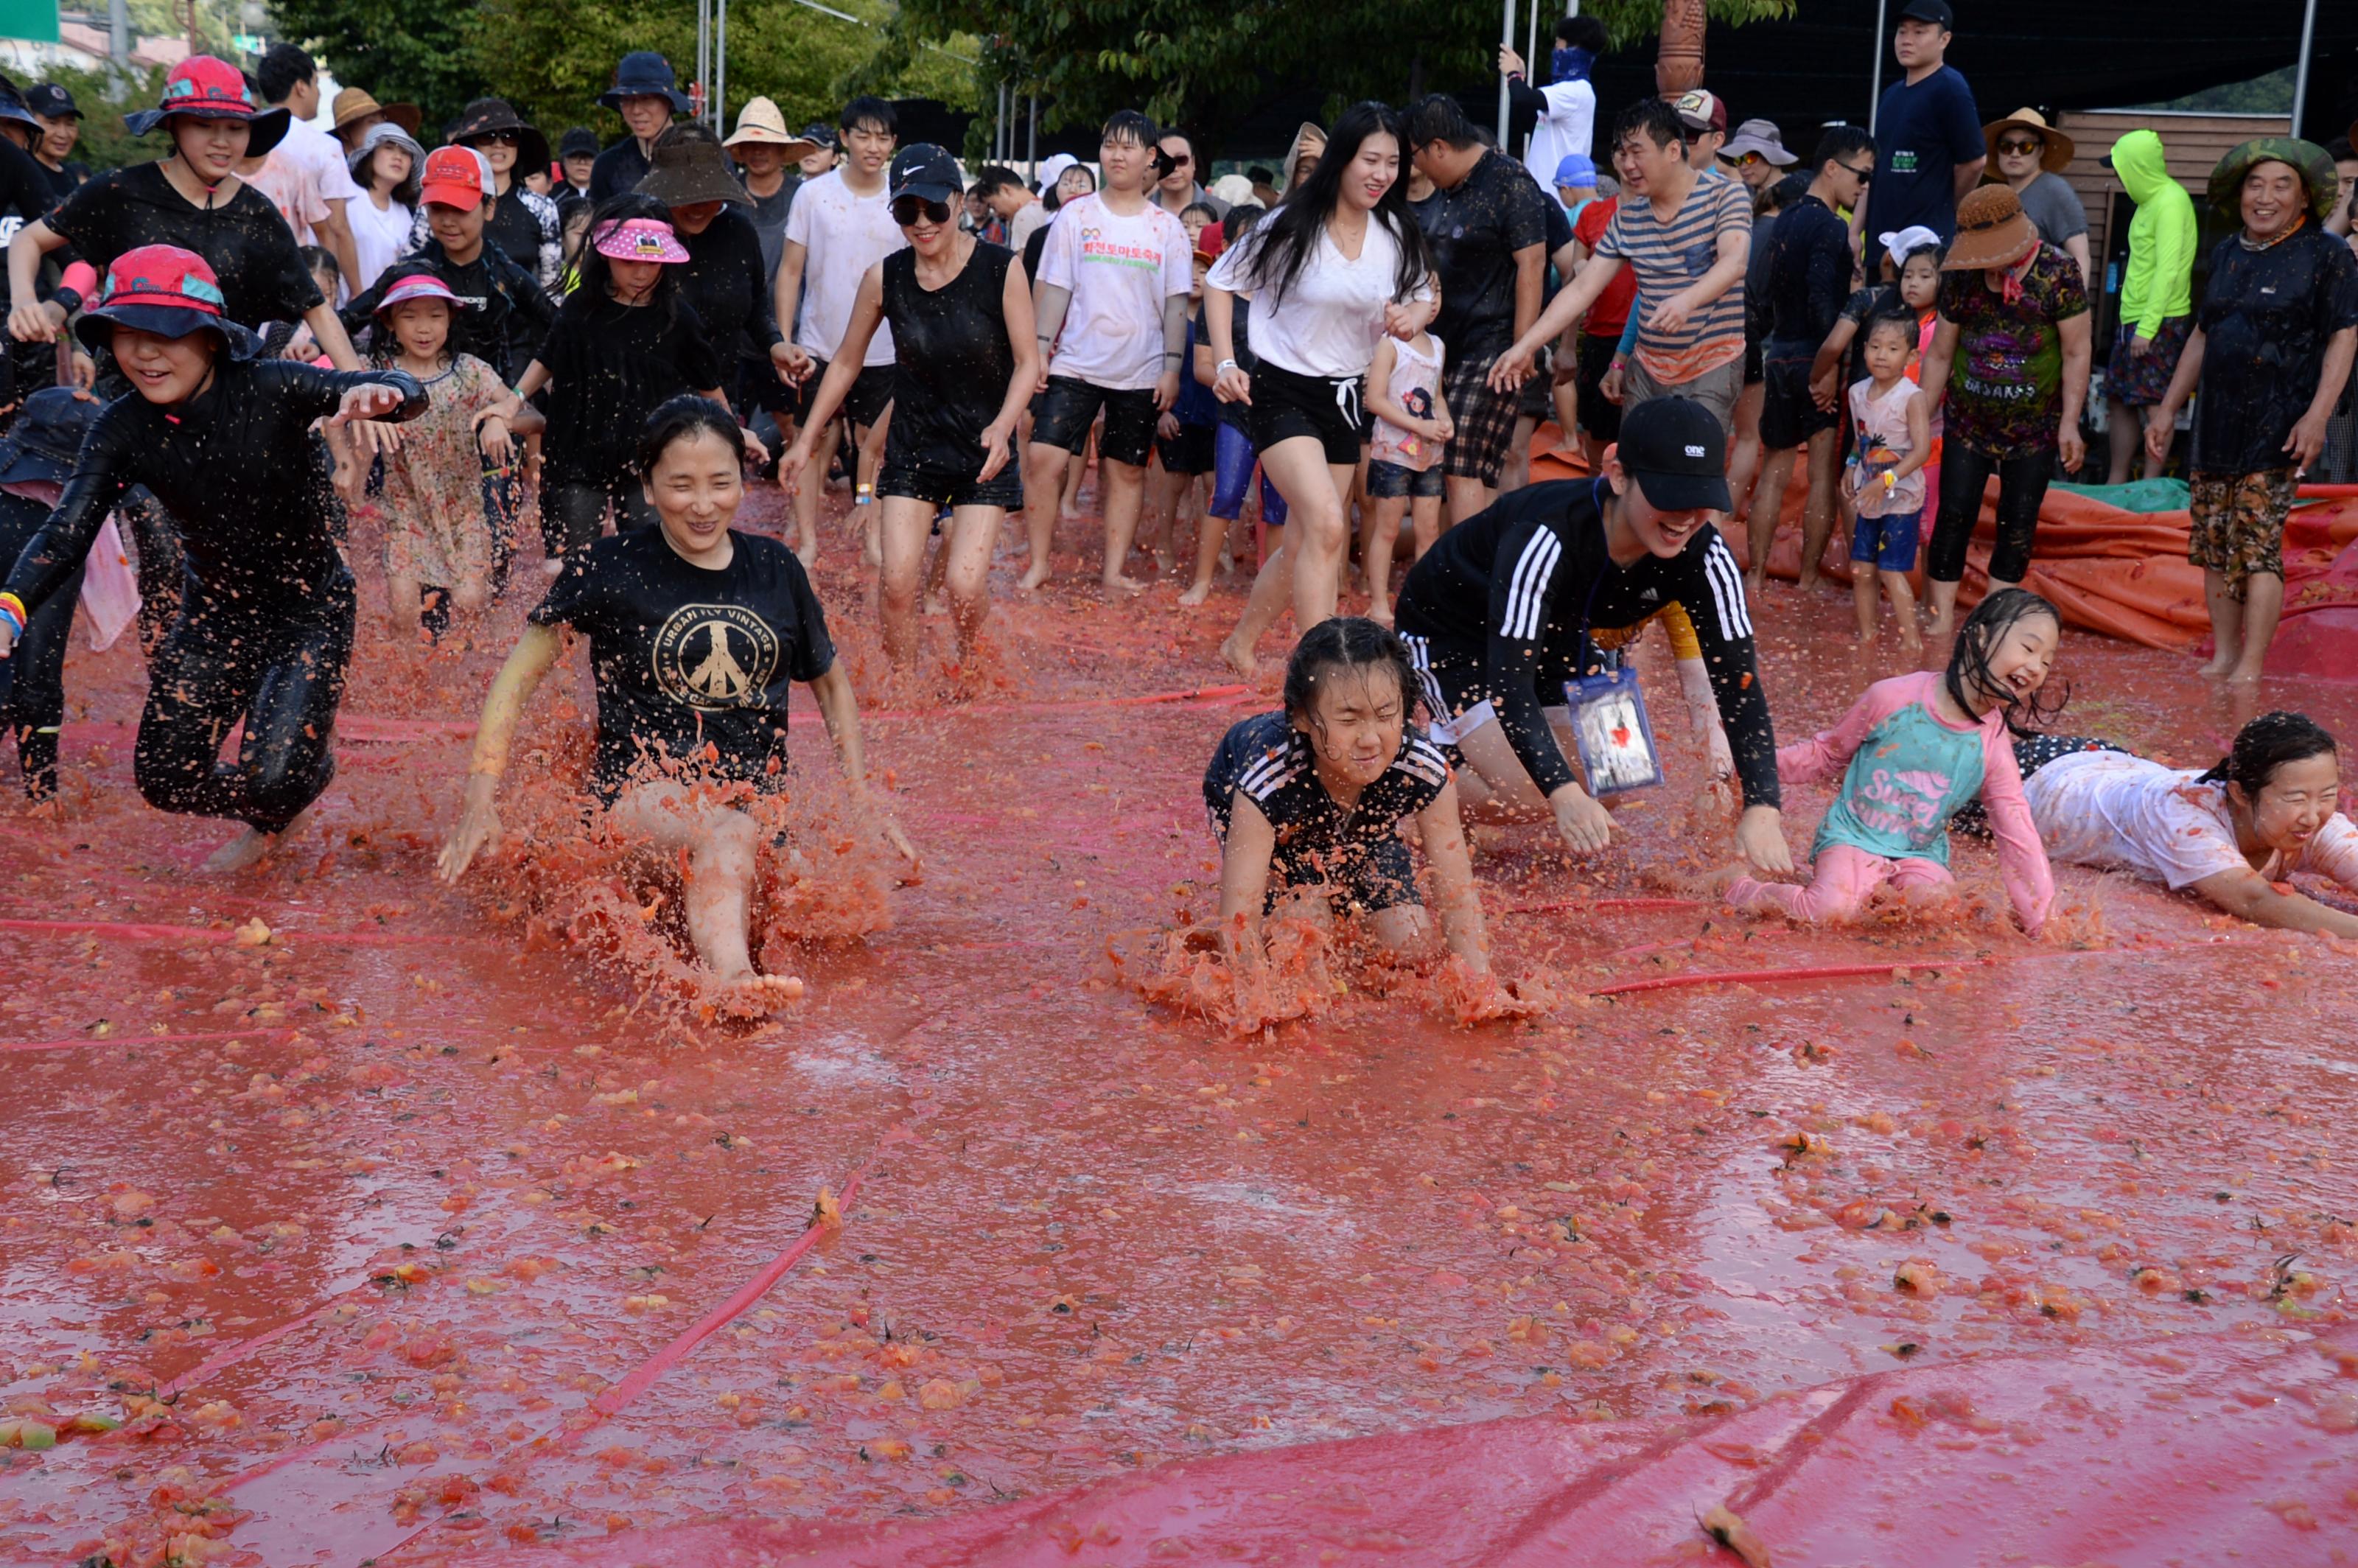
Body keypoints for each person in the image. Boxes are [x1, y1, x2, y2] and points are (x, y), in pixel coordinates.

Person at [438, 397, 912, 1012]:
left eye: (721, 483)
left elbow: (831, 686)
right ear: (649, 483)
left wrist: (860, 797)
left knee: (802, 879)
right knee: (727, 829)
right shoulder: (608, 566)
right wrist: (480, 796)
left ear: (743, 479)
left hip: (754, 805)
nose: (703, 503)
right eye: (681, 485)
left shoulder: (776, 566)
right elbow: (517, 680)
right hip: (638, 800)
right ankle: (733, 982)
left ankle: (730, 918)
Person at [0, 245, 421, 871]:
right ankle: (277, 798)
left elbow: (399, 388)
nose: (144, 354)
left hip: (308, 612)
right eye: (126, 335)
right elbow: (67, 531)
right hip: (214, 618)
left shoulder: (272, 386)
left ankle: (294, 776)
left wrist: (386, 392)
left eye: (165, 335)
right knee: (165, 778)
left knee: (276, 774)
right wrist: (9, 607)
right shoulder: (121, 427)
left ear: (211, 338)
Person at [1390, 396, 1792, 872]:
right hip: (1455, 630)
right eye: (1668, 494)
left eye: (1701, 498)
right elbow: (1510, 682)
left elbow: (1739, 686)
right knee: (1530, 797)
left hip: (1565, 633)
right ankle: (1405, 776)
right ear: (1619, 476)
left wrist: (1764, 807)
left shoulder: (1707, 556)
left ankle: (1482, 764)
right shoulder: (1547, 535)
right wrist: (1562, 793)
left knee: (1619, 778)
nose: (1685, 516)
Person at [783, 145, 1038, 667]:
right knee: (897, 584)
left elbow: (1029, 363)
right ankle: (903, 692)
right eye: (906, 212)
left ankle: (970, 662)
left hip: (982, 449)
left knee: (963, 587)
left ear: (959, 202)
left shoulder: (1000, 268)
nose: (922, 224)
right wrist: (806, 441)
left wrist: (1003, 426)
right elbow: (847, 363)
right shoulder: (885, 278)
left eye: (934, 209)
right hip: (914, 448)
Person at [1207, 101, 1433, 674]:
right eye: (1370, 160)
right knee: (1331, 525)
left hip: (1346, 397)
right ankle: (1323, 672)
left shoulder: (1395, 232)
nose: (1382, 174)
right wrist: (1228, 362)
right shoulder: (1290, 225)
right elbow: (1218, 281)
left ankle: (1241, 643)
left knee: (1310, 539)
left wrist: (1414, 315)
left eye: (1392, 163)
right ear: (1342, 161)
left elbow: (1427, 292)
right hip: (1282, 391)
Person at [2147, 139, 2358, 684]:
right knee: (2214, 543)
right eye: (2255, 185)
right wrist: (2168, 409)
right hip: (2215, 421)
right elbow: (2201, 333)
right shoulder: (2226, 253)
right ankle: (2223, 656)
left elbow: (2343, 337)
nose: (2265, 197)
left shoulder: (2326, 254)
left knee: (2258, 544)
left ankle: (2251, 668)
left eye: (2280, 185)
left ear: (2305, 197)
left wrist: (2316, 417)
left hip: (2280, 422)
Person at [1726, 588, 2057, 930]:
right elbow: (1826, 753)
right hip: (1853, 836)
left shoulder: (1993, 746)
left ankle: (1877, 891)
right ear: (1981, 637)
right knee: (1829, 912)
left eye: (2047, 661)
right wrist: (1749, 768)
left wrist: (2041, 920)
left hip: (1920, 854)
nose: (2036, 667)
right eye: (2029, 648)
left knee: (1937, 915)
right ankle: (1740, 888)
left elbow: (2016, 831)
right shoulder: (1893, 698)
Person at [9, 57, 363, 374]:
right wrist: (25, 301)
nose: (222, 142)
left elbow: (314, 307)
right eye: (204, 125)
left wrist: (357, 386)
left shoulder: (258, 214)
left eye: (236, 128)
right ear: (173, 126)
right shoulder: (122, 191)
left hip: (230, 402)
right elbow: (29, 238)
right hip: (132, 400)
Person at [1206, 616, 1491, 976]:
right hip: (1266, 813)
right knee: (1303, 934)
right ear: (1302, 718)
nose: (1370, 739)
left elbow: (1457, 895)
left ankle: (1339, 900)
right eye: (1348, 719)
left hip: (1363, 826)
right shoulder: (1268, 779)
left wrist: (1480, 987)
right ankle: (1290, 908)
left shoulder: (1423, 768)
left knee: (1410, 943)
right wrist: (1251, 998)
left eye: (1386, 714)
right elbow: (1238, 920)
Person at [1491, 99, 1752, 438]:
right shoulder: (1629, 217)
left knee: (1693, 471)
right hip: (1649, 366)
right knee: (1632, 472)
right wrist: (1524, 346)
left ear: (1673, 150)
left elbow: (1735, 262)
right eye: (1622, 153)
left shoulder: (1726, 195)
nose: (1627, 165)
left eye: (1637, 152)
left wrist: (1686, 301)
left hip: (1712, 361)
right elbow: (1582, 290)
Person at [1024, 111, 1193, 595]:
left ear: (1149, 159)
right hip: (1075, 362)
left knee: (1126, 471)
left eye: (1128, 147)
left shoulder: (1166, 229)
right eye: (1109, 145)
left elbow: (1175, 306)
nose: (1117, 155)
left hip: (1140, 370)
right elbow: (1053, 289)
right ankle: (1039, 562)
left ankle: (1113, 570)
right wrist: (1038, 350)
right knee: (1043, 459)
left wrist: (1172, 368)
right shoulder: (1076, 216)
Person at [511, 203, 735, 562]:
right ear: (606, 258)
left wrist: (732, 435)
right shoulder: (580, 307)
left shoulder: (678, 319)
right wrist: (514, 399)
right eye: (629, 261)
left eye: (651, 262)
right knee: (572, 567)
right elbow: (547, 358)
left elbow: (708, 383)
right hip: (576, 457)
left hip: (647, 458)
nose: (641, 272)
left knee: (651, 564)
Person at [2008, 712, 2358, 939]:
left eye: (2326, 795)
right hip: (2040, 779)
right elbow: (2253, 900)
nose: (2313, 816)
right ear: (2239, 793)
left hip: (2118, 763)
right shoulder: (2185, 818)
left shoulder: (2315, 822)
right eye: (2296, 799)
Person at [1915, 184, 2091, 635]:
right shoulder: (1961, 276)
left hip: (2035, 425)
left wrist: (2071, 423)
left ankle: (1992, 622)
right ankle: (1938, 620)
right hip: (1967, 419)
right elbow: (1938, 354)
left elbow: (2076, 351)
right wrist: (1916, 419)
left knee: (2017, 521)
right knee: (1953, 513)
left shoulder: (2058, 272)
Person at [1404, 94, 1548, 526]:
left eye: (1415, 157)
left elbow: (1533, 264)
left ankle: (1466, 577)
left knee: (1462, 461)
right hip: (1447, 344)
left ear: (1438, 148)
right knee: (1459, 465)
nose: (1417, 169)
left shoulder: (1510, 181)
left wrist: (1523, 348)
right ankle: (1473, 564)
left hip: (1494, 345)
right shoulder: (1450, 189)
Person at [352, 269, 517, 639]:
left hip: (463, 508)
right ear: (390, 323)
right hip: (406, 508)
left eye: (435, 316)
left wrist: (499, 418)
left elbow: (527, 412)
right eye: (410, 316)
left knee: (471, 601)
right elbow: (335, 402)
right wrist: (349, 466)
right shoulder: (379, 372)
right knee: (404, 610)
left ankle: (467, 678)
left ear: (451, 319)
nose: (423, 328)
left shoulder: (470, 373)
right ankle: (407, 685)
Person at [774, 97, 903, 565]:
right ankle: (808, 538)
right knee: (810, 437)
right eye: (863, 136)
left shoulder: (901, 196)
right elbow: (791, 271)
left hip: (886, 346)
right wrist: (786, 339)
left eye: (883, 138)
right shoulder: (813, 194)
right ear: (844, 138)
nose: (874, 146)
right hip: (819, 341)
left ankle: (871, 531)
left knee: (877, 445)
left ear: (894, 143)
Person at [1750, 125, 1875, 593]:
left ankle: (1757, 576)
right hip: (1815, 357)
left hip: (1779, 354)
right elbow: (1825, 305)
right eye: (1861, 176)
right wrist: (1826, 371)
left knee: (1774, 472)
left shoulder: (1783, 218)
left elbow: (1765, 294)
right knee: (1821, 474)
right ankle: (1805, 581)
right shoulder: (1831, 226)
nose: (1863, 187)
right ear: (1831, 167)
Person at [339, 145, 557, 387]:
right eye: (437, 209)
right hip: (422, 404)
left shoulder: (508, 277)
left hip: (497, 405)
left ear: (490, 207)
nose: (448, 221)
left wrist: (520, 396)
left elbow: (563, 329)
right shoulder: (409, 274)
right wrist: (314, 347)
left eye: (460, 210)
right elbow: (345, 320)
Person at [0, 388, 102, 799]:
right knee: (31, 676)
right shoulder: (65, 529)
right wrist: (44, 792)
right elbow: (39, 675)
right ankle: (40, 789)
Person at [639, 126, 791, 402]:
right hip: (648, 400)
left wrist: (775, 344)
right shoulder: (641, 236)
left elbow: (756, 304)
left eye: (708, 195)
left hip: (722, 397)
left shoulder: (739, 231)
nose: (697, 207)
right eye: (686, 197)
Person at [2101, 130, 2194, 486]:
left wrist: (2148, 327)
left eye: (2120, 168)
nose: (2117, 175)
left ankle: (2151, 483)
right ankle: (2117, 479)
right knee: (2120, 397)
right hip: (2132, 315)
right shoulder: (2146, 203)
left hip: (2160, 318)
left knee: (2155, 400)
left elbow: (2168, 269)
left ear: (2137, 167)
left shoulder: (2172, 200)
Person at [1844, 312, 1935, 649]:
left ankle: (1912, 643)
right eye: (1875, 346)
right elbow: (1860, 436)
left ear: (1911, 357)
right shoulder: (1857, 392)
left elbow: (1922, 451)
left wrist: (1885, 480)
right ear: (1864, 348)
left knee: (1891, 569)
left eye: (1893, 348)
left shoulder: (1911, 397)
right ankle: (1868, 634)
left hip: (1902, 495)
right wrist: (1850, 466)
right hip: (1869, 493)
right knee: (1861, 568)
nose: (1882, 355)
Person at [1863, 0, 1987, 245]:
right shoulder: (1890, 94)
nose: (1906, 40)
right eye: (1901, 31)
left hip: (1925, 244)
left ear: (1945, 40)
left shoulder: (1950, 88)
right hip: (1880, 239)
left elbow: (1974, 161)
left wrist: (1948, 207)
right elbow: (1874, 168)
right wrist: (1856, 232)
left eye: (1919, 32)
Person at [245, 45, 363, 298]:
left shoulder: (246, 137)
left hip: (250, 275)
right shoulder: (324, 147)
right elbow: (338, 226)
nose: (319, 94)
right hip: (304, 281)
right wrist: (355, 291)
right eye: (316, 84)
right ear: (301, 86)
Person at [1361, 301, 1450, 626]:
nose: (1434, 302)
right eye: (1426, 294)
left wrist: (1444, 419)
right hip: (1393, 452)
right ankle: (1379, 601)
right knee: (1388, 528)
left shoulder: (1438, 346)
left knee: (1429, 529)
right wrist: (1420, 426)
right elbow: (1375, 399)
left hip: (1429, 453)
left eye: (1438, 293)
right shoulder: (1390, 344)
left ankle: (1422, 599)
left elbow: (1437, 394)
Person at [441, 99, 562, 294]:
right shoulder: (442, 201)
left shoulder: (543, 208)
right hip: (453, 317)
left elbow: (552, 286)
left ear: (518, 147)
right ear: (470, 144)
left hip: (520, 320)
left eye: (509, 136)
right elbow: (414, 270)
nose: (499, 145)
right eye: (488, 136)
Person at [1563, 172, 1637, 468]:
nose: (1633, 164)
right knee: (1596, 433)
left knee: (1639, 432)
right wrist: (1566, 346)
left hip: (1650, 340)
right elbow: (1575, 284)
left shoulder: (1665, 211)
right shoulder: (1594, 214)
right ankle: (1599, 500)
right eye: (1625, 153)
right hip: (1600, 338)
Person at [1499, 15, 1608, 195]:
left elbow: (1522, 97)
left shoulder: (1577, 91)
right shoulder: (1564, 93)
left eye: (1559, 45)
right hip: (1541, 195)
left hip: (1557, 199)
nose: (1556, 52)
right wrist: (1520, 76)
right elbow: (1527, 120)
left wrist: (1512, 74)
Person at [1983, 109, 2089, 292]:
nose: (2015, 154)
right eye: (2007, 146)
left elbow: (2081, 256)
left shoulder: (2056, 191)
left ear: (2041, 150)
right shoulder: (1997, 196)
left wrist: (2077, 312)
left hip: (2045, 307)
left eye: (2025, 147)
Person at [590, 52, 688, 201]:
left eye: (647, 99)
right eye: (627, 100)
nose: (636, 110)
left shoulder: (702, 157)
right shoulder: (609, 165)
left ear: (669, 102)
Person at [344, 122, 423, 295]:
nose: (398, 157)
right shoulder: (348, 199)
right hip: (345, 307)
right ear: (370, 155)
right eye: (389, 148)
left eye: (405, 152)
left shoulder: (404, 214)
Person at [24, 83, 85, 200]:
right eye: (52, 123)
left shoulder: (70, 176)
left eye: (70, 124)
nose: (63, 134)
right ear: (28, 122)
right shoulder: (19, 169)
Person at [973, 164, 1048, 256]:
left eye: (993, 206)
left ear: (1005, 190)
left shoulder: (1023, 216)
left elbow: (1023, 267)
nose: (996, 214)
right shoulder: (1048, 208)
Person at [1152, 130, 1225, 220]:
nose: (1174, 169)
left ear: (1193, 163)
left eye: (1181, 160)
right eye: (1165, 162)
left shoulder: (1223, 212)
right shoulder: (1137, 212)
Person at [329, 88, 419, 155]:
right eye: (372, 122)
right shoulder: (332, 172)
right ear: (344, 131)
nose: (382, 129)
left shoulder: (386, 173)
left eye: (383, 123)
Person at [1721, 119, 1799, 192]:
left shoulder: (1798, 194)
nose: (1743, 167)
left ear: (1772, 156)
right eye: (1737, 160)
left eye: (1750, 158)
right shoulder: (1736, 195)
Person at [559, 127, 598, 199]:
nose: (582, 162)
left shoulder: (606, 196)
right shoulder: (551, 197)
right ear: (563, 161)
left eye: (589, 157)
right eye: (574, 156)